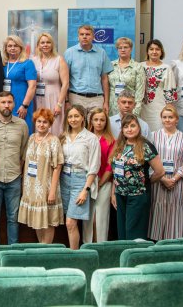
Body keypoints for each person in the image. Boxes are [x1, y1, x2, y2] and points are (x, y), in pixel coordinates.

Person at [110, 113, 165, 240]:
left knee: (133, 234)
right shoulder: (119, 145)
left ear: (139, 128)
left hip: (138, 196)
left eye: (132, 126)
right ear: (122, 130)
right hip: (120, 195)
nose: (129, 129)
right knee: (122, 233)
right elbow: (116, 171)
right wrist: (113, 193)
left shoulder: (146, 146)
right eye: (126, 126)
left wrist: (146, 182)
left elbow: (160, 171)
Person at [0, 91, 29, 247]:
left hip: (14, 178)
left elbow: (24, 152)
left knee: (13, 218)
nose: (6, 105)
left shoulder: (22, 125)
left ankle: (13, 253)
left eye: (9, 102)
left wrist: (20, 172)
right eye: (3, 102)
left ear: (14, 104)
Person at [17, 108, 64, 244]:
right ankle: (40, 248)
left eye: (45, 122)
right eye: (39, 121)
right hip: (31, 187)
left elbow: (58, 167)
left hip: (46, 187)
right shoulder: (31, 138)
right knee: (36, 221)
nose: (41, 124)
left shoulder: (54, 140)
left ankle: (46, 250)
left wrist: (52, 192)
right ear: (35, 122)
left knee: (47, 222)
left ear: (50, 124)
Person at [148, 105, 183, 240]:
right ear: (161, 119)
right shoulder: (153, 136)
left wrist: (174, 179)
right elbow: (148, 160)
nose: (167, 120)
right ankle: (156, 241)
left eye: (170, 117)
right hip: (158, 181)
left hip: (177, 182)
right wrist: (162, 178)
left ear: (177, 119)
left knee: (176, 211)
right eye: (164, 117)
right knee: (158, 209)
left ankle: (175, 241)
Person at [59, 105, 100, 249]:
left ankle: (74, 255)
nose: (73, 119)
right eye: (70, 116)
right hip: (64, 179)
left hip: (80, 180)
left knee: (70, 222)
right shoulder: (63, 137)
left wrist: (85, 190)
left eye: (76, 116)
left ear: (83, 118)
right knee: (67, 221)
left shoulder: (91, 138)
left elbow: (94, 167)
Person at [63, 25, 113, 114]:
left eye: (87, 34)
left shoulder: (101, 53)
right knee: (77, 123)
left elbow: (104, 79)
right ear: (78, 36)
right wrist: (66, 101)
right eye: (82, 34)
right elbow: (64, 79)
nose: (84, 37)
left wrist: (106, 102)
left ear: (93, 37)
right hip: (76, 98)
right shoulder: (69, 53)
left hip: (97, 99)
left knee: (96, 123)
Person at [31, 32, 69, 136]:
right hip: (37, 98)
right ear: (38, 45)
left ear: (52, 44)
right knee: (38, 124)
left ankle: (55, 145)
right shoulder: (33, 60)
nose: (45, 45)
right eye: (42, 42)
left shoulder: (59, 60)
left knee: (54, 126)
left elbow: (65, 84)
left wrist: (59, 104)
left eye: (48, 42)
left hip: (54, 98)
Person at [88, 107, 116, 242]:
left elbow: (110, 166)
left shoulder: (111, 140)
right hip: (87, 183)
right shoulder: (86, 138)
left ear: (106, 122)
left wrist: (99, 184)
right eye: (96, 119)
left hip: (104, 182)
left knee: (100, 218)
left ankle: (100, 246)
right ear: (91, 121)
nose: (99, 123)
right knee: (89, 219)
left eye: (102, 120)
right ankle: (87, 246)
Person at [140, 39, 178, 133]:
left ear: (161, 52)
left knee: (158, 134)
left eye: (157, 49)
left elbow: (170, 92)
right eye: (151, 49)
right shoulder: (140, 66)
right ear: (147, 51)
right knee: (142, 133)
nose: (154, 52)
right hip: (142, 109)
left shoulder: (166, 68)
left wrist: (168, 111)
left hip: (159, 109)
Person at [2, 35, 38, 133]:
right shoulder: (3, 64)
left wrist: (25, 105)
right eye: (10, 46)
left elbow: (32, 86)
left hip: (21, 103)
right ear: (6, 48)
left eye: (15, 45)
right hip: (6, 103)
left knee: (23, 131)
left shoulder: (27, 63)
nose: (12, 48)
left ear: (20, 48)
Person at [107, 37, 145, 117]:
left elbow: (140, 91)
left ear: (131, 49)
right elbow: (106, 87)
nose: (123, 50)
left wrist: (135, 111)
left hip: (129, 107)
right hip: (112, 107)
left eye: (125, 47)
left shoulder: (138, 67)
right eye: (120, 48)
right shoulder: (110, 65)